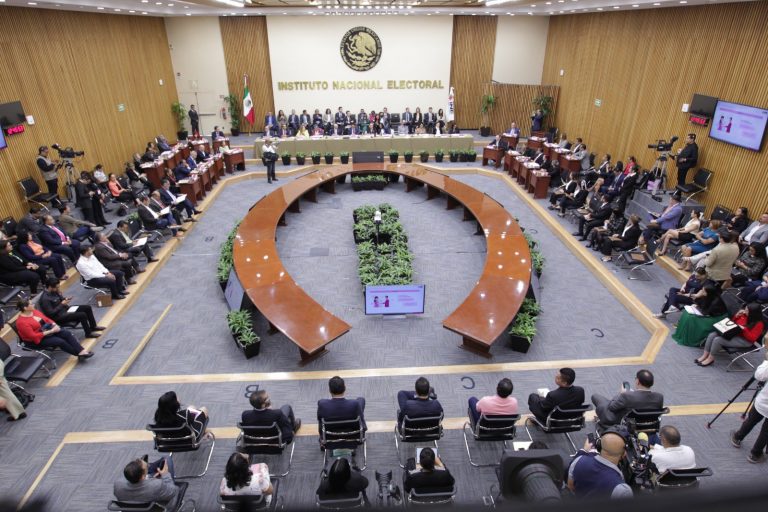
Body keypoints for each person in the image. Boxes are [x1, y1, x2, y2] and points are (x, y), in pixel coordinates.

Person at [15, 298, 93, 360]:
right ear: (25, 308)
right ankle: (78, 353)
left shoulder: (34, 311)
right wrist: (52, 331)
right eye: (31, 304)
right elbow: (33, 336)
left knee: (66, 333)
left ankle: (82, 351)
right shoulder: (21, 322)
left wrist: (54, 324)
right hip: (36, 341)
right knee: (60, 341)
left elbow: (46, 319)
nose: (33, 304)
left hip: (45, 331)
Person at [567, 430, 633, 499]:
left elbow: (570, 487)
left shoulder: (578, 460)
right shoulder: (623, 490)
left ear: (599, 446)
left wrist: (585, 450)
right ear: (624, 454)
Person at [730, 350, 768, 463]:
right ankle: (755, 454)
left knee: (751, 420)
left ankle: (737, 437)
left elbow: (759, 375)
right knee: (766, 431)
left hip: (763, 401)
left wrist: (766, 361)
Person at [696, 303, 764, 367]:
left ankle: (710, 358)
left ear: (753, 313)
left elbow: (752, 338)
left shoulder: (759, 324)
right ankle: (705, 355)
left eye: (747, 310)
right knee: (712, 334)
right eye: (745, 309)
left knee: (718, 340)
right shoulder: (744, 315)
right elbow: (733, 323)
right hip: (734, 334)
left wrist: (744, 329)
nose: (745, 311)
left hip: (745, 341)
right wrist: (736, 316)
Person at [591, 369, 664, 427]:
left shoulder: (627, 396)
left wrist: (622, 394)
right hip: (648, 424)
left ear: (638, 381)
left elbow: (612, 407)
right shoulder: (659, 397)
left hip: (625, 423)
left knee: (596, 397)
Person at [39, 278, 106, 338]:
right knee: (82, 315)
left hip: (66, 310)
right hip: (59, 317)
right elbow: (51, 314)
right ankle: (88, 333)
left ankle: (93, 326)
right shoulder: (45, 299)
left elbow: (60, 300)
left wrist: (65, 299)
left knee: (87, 307)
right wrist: (62, 304)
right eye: (56, 288)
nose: (58, 289)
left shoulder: (54, 291)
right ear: (50, 287)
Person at [114, 456, 180, 510]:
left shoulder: (118, 485)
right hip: (158, 507)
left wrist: (150, 479)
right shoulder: (157, 485)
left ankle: (150, 468)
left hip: (133, 509)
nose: (147, 465)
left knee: (158, 464)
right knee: (167, 459)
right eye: (146, 467)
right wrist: (165, 475)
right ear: (143, 477)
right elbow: (174, 490)